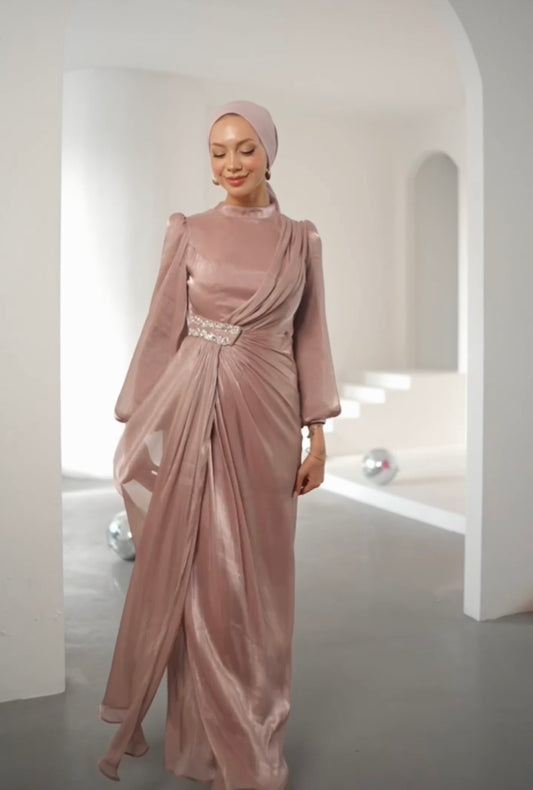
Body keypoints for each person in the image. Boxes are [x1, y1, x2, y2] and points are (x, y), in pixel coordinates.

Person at [97, 100, 341, 789]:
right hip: (196, 414)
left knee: (261, 583)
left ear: (268, 154)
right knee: (203, 574)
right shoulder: (188, 230)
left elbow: (311, 337)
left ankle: (257, 732)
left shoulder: (301, 240)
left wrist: (317, 436)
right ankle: (202, 746)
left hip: (269, 419)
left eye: (244, 149)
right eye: (217, 151)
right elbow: (162, 328)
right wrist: (143, 421)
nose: (231, 163)